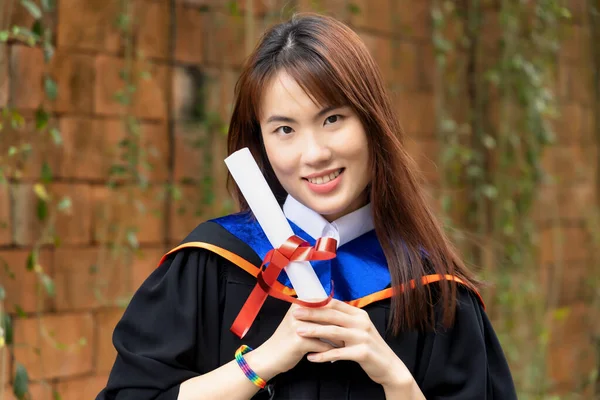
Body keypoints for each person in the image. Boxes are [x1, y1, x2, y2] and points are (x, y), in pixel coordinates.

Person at [96, 13, 517, 400]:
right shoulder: (211, 265)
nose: (313, 154)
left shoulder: (434, 293)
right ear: (259, 143)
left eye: (332, 119)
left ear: (372, 122)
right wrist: (263, 361)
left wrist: (395, 378)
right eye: (284, 129)